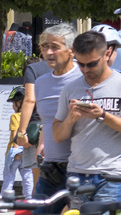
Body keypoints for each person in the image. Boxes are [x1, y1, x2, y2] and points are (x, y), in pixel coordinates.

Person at [52, 29, 121, 208]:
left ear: (107, 54)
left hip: (110, 175)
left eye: (92, 64)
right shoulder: (70, 88)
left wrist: (103, 115)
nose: (85, 70)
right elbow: (57, 135)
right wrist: (70, 118)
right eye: (80, 64)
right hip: (77, 173)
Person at [19, 24, 78, 207]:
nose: (49, 52)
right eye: (46, 47)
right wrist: (43, 142)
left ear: (71, 50)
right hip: (51, 166)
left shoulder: (83, 78)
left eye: (55, 47)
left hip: (80, 167)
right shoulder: (41, 82)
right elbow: (47, 118)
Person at [4, 88, 35, 202]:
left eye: (13, 103)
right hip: (25, 152)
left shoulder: (15, 116)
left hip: (15, 151)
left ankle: (6, 201)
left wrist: (15, 151)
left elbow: (15, 134)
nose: (13, 106)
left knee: (9, 177)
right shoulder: (31, 116)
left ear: (19, 103)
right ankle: (29, 199)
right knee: (28, 177)